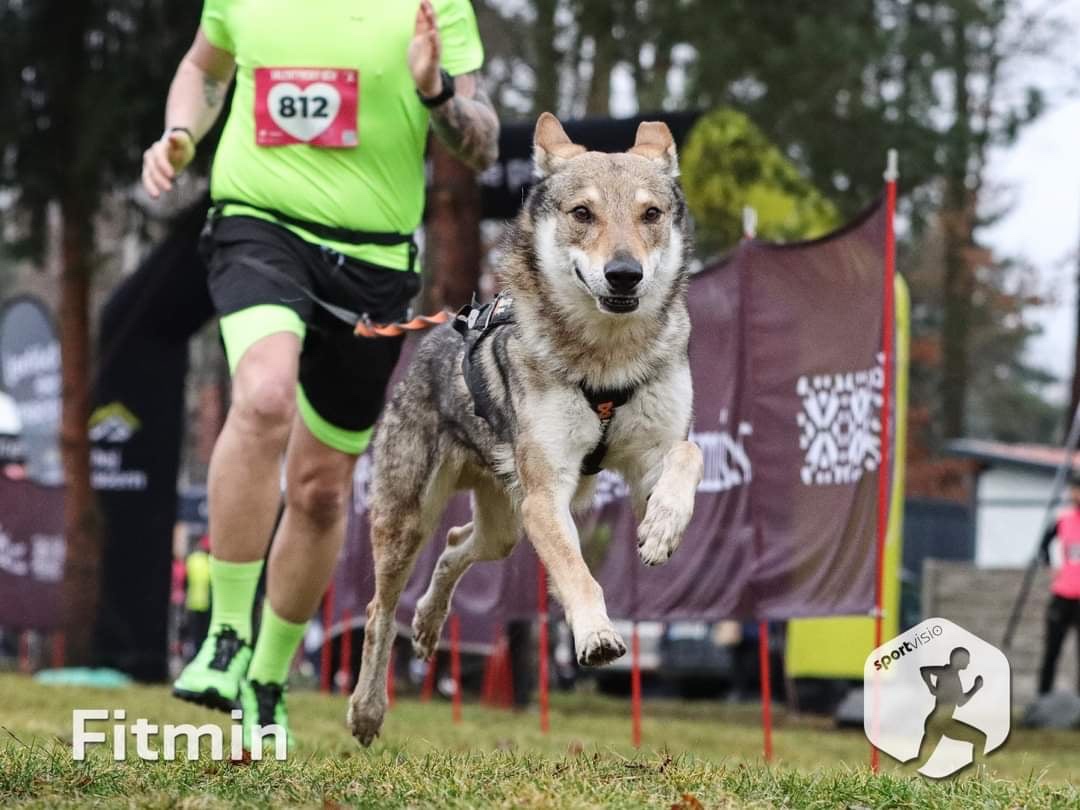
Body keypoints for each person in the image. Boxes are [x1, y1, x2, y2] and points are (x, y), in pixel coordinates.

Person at [141, 0, 498, 751]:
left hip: (372, 264)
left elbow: (481, 145)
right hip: (258, 226)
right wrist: (181, 133)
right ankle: (227, 636)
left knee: (321, 488)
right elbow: (204, 69)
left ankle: (267, 679)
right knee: (265, 395)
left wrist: (435, 94)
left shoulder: (434, 8)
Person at [1037, 472, 1080, 696]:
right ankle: (1043, 699)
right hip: (1063, 596)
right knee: (1051, 651)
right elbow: (1043, 545)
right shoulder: (1063, 520)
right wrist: (1049, 565)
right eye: (1074, 489)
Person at [915, 647, 987, 769]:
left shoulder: (953, 676)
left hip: (941, 721)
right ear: (958, 660)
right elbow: (924, 670)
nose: (968, 663)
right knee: (980, 738)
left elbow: (960, 702)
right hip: (940, 722)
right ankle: (978, 777)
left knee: (921, 761)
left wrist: (975, 687)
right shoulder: (946, 672)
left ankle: (978, 776)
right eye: (966, 660)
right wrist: (931, 688)